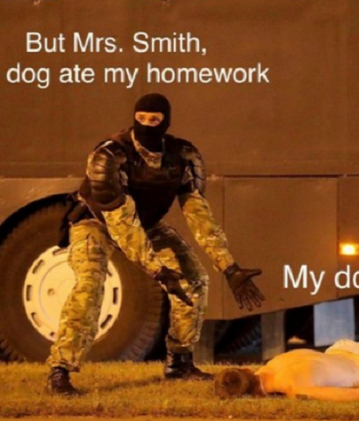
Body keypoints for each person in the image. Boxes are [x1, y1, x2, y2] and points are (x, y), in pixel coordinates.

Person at [47, 93, 265, 395]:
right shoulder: (109, 155)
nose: (148, 125)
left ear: (166, 121)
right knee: (90, 285)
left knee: (194, 280)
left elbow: (199, 216)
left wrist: (229, 268)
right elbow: (122, 224)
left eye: (155, 119)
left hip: (146, 224)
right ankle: (60, 370)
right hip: (95, 222)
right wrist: (157, 270)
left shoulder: (182, 157)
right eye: (142, 119)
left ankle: (179, 363)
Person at [214, 340, 359, 401]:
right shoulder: (273, 362)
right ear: (247, 369)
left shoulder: (297, 388)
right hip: (341, 348)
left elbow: (355, 395)